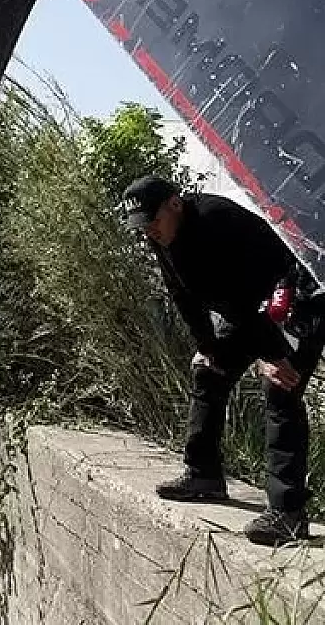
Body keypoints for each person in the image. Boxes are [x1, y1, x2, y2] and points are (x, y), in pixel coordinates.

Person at [122, 175, 325, 546]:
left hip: (293, 299)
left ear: (175, 204)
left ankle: (288, 512)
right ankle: (204, 476)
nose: (149, 231)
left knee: (280, 389)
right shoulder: (161, 236)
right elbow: (183, 295)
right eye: (143, 226)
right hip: (247, 309)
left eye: (153, 221)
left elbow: (249, 295)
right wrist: (208, 347)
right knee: (208, 374)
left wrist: (272, 356)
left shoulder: (215, 221)